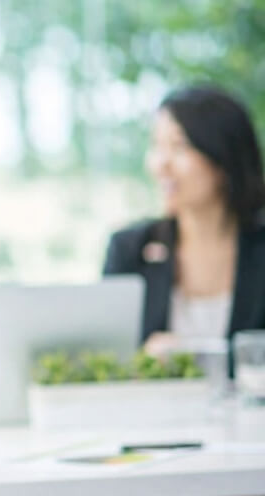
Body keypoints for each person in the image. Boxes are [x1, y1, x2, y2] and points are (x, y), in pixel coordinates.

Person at [104, 85, 265, 372]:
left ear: (223, 158)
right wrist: (143, 361)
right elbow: (105, 359)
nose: (160, 165)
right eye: (157, 146)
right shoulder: (130, 249)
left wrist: (193, 358)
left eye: (179, 147)